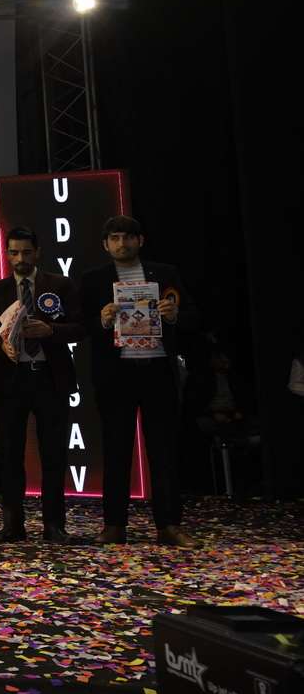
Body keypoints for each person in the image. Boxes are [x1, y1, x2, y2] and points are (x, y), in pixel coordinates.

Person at [79, 215, 198, 547]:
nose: (122, 244)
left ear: (140, 240)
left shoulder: (165, 273)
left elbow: (194, 316)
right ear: (105, 245)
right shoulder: (93, 279)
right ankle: (114, 525)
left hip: (158, 371)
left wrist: (175, 316)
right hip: (116, 376)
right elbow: (80, 326)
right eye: (115, 238)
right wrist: (102, 321)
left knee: (164, 451)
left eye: (128, 237)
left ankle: (169, 525)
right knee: (116, 449)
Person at [0, 228, 82, 543]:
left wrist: (50, 331)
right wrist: (1, 346)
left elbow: (81, 327)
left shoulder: (61, 285)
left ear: (37, 252)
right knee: (10, 455)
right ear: (7, 254)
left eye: (26, 252)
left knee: (54, 455)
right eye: (14, 252)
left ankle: (54, 525)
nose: (20, 259)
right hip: (11, 380)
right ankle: (13, 525)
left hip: (50, 378)